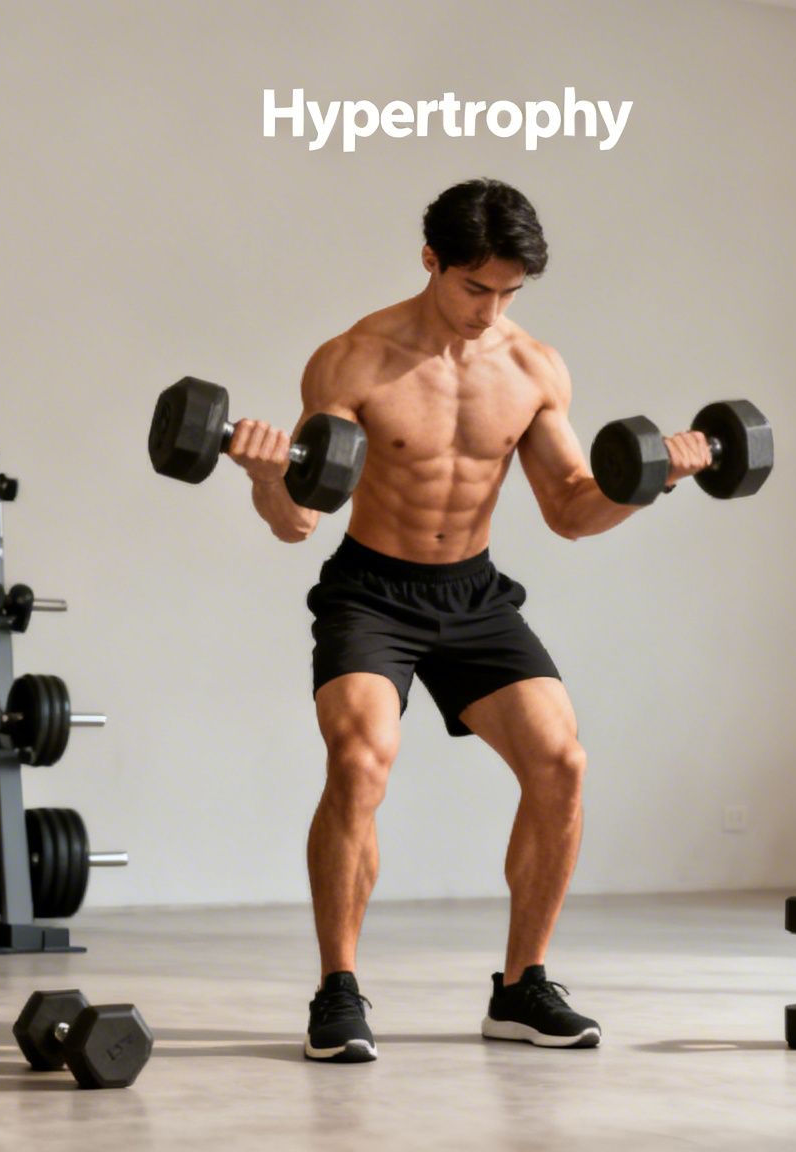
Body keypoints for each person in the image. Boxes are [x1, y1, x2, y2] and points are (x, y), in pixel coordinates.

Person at [227, 178, 711, 1063]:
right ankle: (338, 991)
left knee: (561, 761)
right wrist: (265, 473)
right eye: (474, 288)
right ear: (431, 262)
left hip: (475, 596)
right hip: (372, 592)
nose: (491, 311)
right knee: (360, 759)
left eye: (509, 294)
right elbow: (300, 519)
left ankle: (522, 986)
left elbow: (570, 509)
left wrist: (657, 479)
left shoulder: (534, 369)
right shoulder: (354, 359)